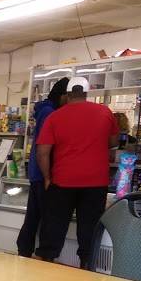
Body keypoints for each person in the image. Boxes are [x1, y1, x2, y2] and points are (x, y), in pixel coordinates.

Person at [35, 77, 119, 266]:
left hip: (62, 181)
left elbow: (42, 152)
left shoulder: (54, 117)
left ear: (68, 94)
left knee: (53, 229)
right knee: (90, 231)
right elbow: (113, 142)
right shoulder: (104, 112)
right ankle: (87, 269)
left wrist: (47, 177)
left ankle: (45, 264)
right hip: (96, 182)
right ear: (86, 93)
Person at [16, 77, 68, 258]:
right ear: (63, 95)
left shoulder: (44, 110)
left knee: (33, 215)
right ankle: (40, 255)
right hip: (43, 171)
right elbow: (45, 147)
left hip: (36, 171)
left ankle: (24, 250)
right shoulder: (50, 113)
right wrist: (48, 176)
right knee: (46, 217)